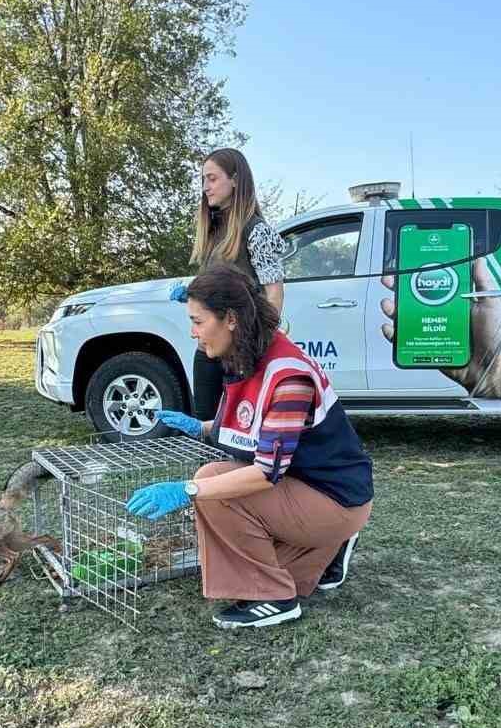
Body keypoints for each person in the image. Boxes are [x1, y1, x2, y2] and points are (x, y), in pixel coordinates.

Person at [130, 266, 373, 629]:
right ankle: (327, 550)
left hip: (334, 497)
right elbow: (258, 425)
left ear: (230, 319)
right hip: (317, 488)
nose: (193, 333)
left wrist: (187, 491)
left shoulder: (288, 376)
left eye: (197, 320)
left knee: (212, 486)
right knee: (221, 490)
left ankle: (274, 598)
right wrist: (202, 427)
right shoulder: (251, 354)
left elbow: (266, 472)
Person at [171, 148, 286, 422]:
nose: (205, 188)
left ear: (235, 180)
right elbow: (223, 286)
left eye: (212, 179)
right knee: (206, 428)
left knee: (239, 432)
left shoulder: (257, 231)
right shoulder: (213, 231)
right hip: (208, 349)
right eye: (203, 180)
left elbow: (274, 291)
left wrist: (258, 343)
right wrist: (194, 294)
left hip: (240, 353)